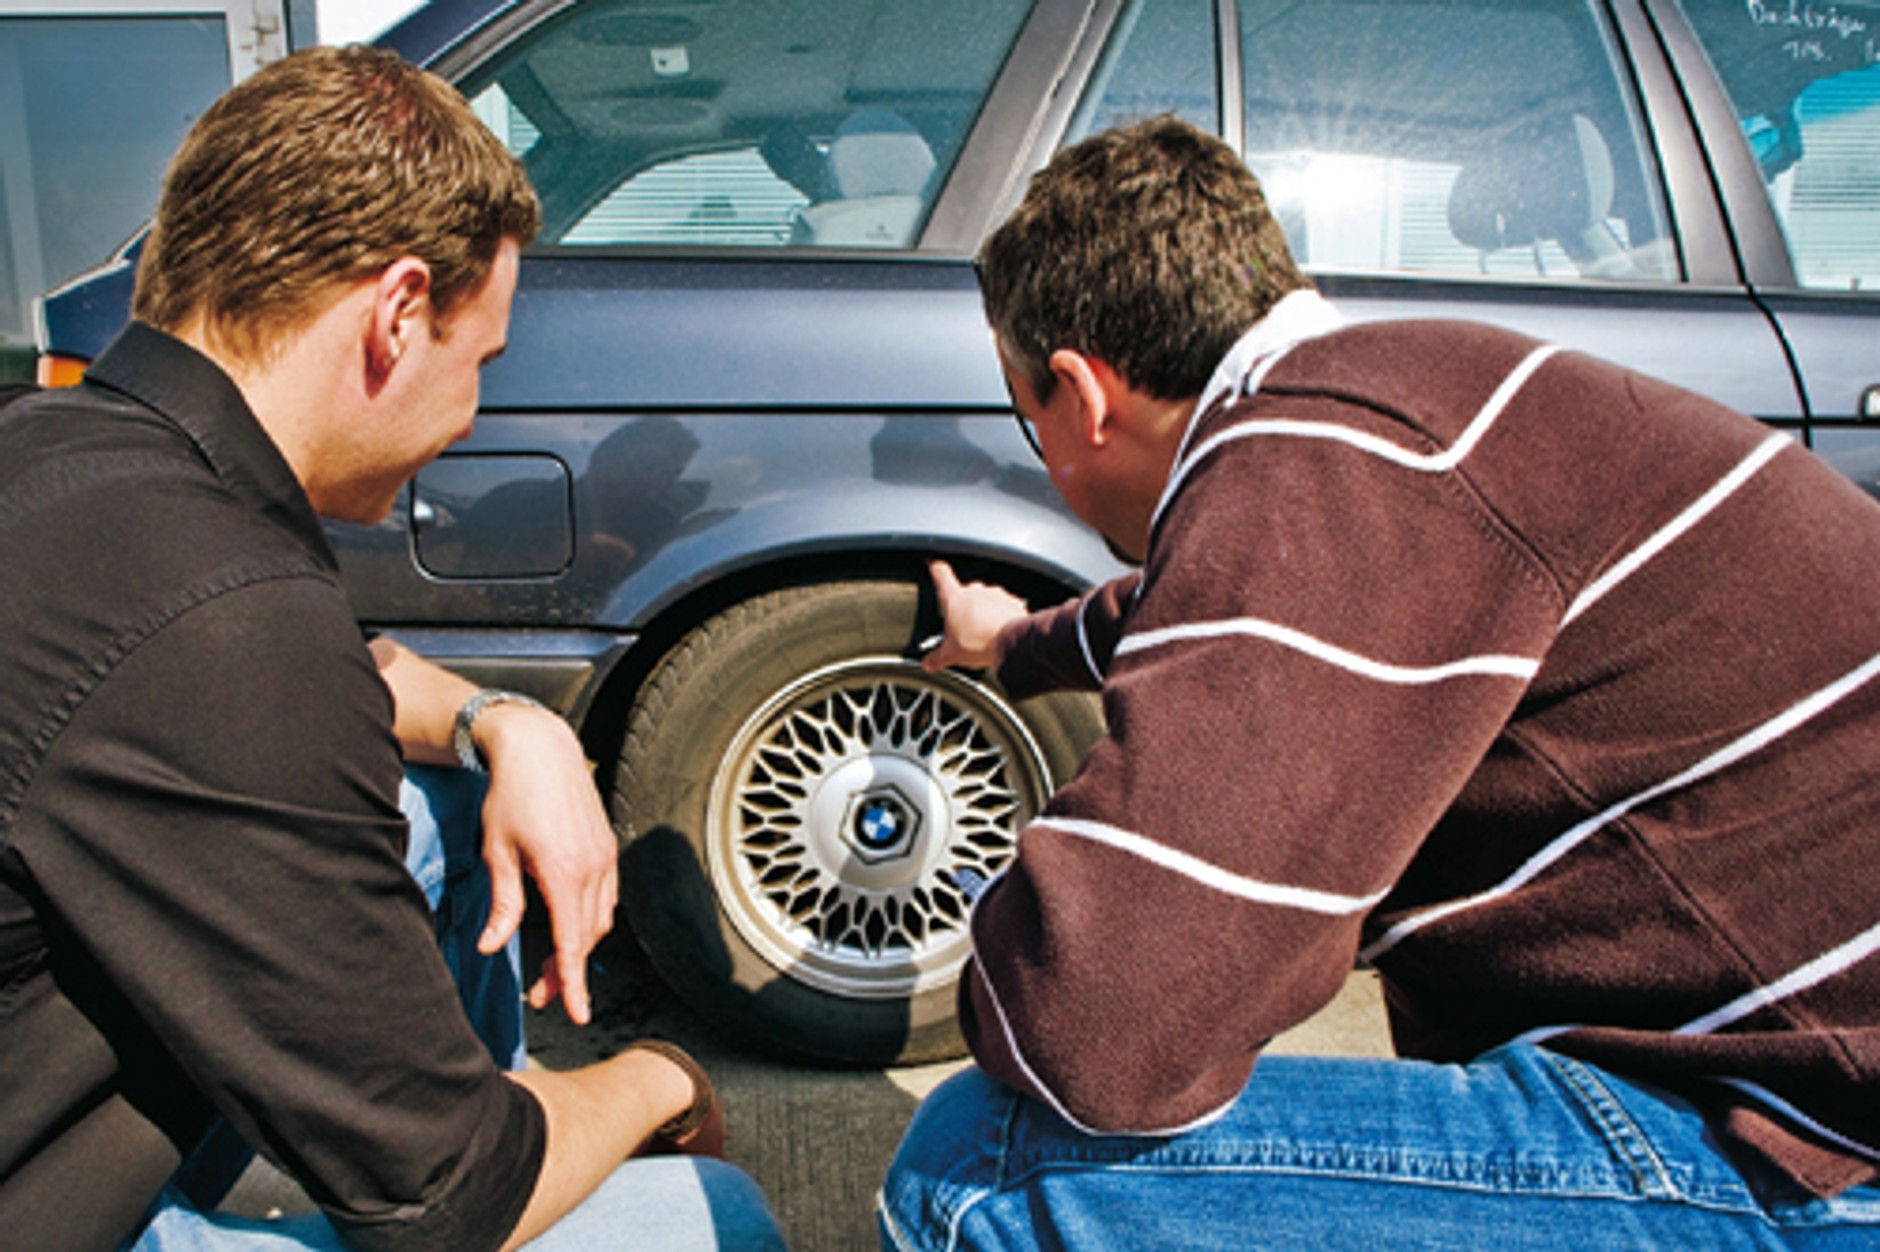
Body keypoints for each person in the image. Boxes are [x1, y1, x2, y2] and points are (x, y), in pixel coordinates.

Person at [879, 116, 1880, 1249]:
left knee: (984, 1172)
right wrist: (1006, 641)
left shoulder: (1318, 461)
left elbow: (1103, 1031)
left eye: (1028, 416)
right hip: (1807, 1072)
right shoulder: (1401, 412)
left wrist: (996, 908)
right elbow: (1189, 612)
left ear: (1079, 391)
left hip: (1807, 1141)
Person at [0, 45, 783, 1251]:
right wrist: (661, 1080)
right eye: (483, 361)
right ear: (398, 312)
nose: (471, 414)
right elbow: (453, 1198)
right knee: (701, 1217)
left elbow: (343, 684)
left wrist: (507, 725)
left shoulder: (61, 455)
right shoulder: (221, 606)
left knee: (436, 805)